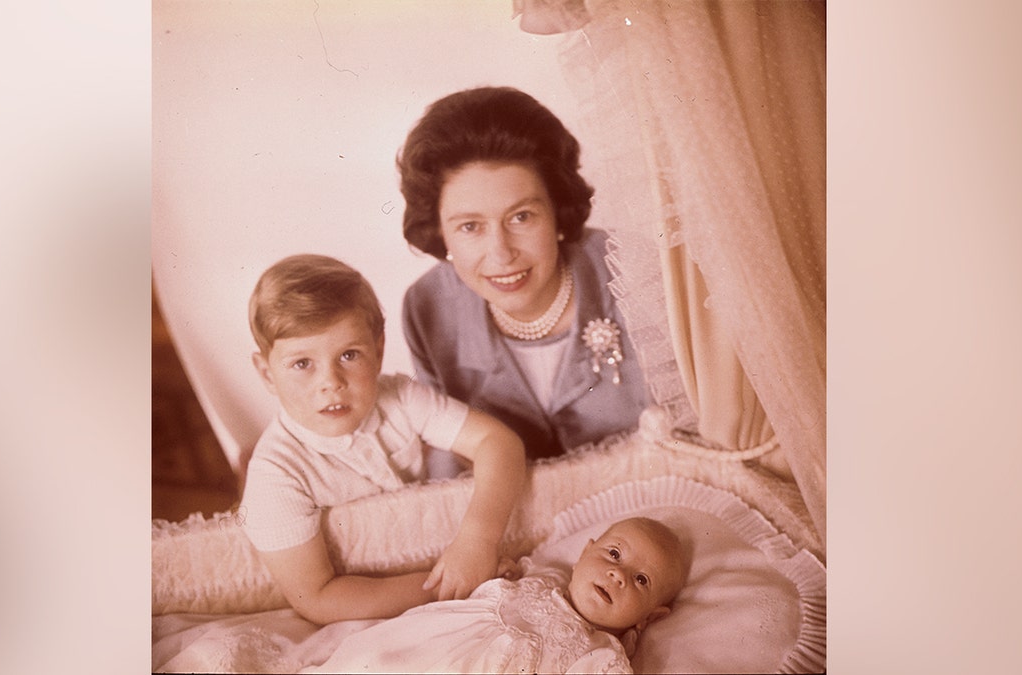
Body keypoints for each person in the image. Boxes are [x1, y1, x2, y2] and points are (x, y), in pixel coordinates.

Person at [238, 254, 527, 624]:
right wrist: (449, 583)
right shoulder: (276, 474)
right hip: (372, 605)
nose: (331, 382)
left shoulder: (400, 397)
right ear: (266, 373)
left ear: (377, 351)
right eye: (302, 363)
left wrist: (477, 540)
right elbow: (315, 597)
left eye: (349, 354)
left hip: (446, 560)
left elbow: (498, 443)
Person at [398, 86, 648, 478]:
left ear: (557, 210)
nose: (501, 253)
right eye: (470, 226)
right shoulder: (427, 308)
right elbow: (448, 462)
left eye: (521, 217)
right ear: (440, 233)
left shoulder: (634, 270)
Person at [306, 516, 688, 674]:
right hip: (430, 653)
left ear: (649, 616)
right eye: (614, 554)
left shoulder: (601, 655)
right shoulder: (540, 576)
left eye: (641, 581)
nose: (617, 575)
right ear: (584, 552)